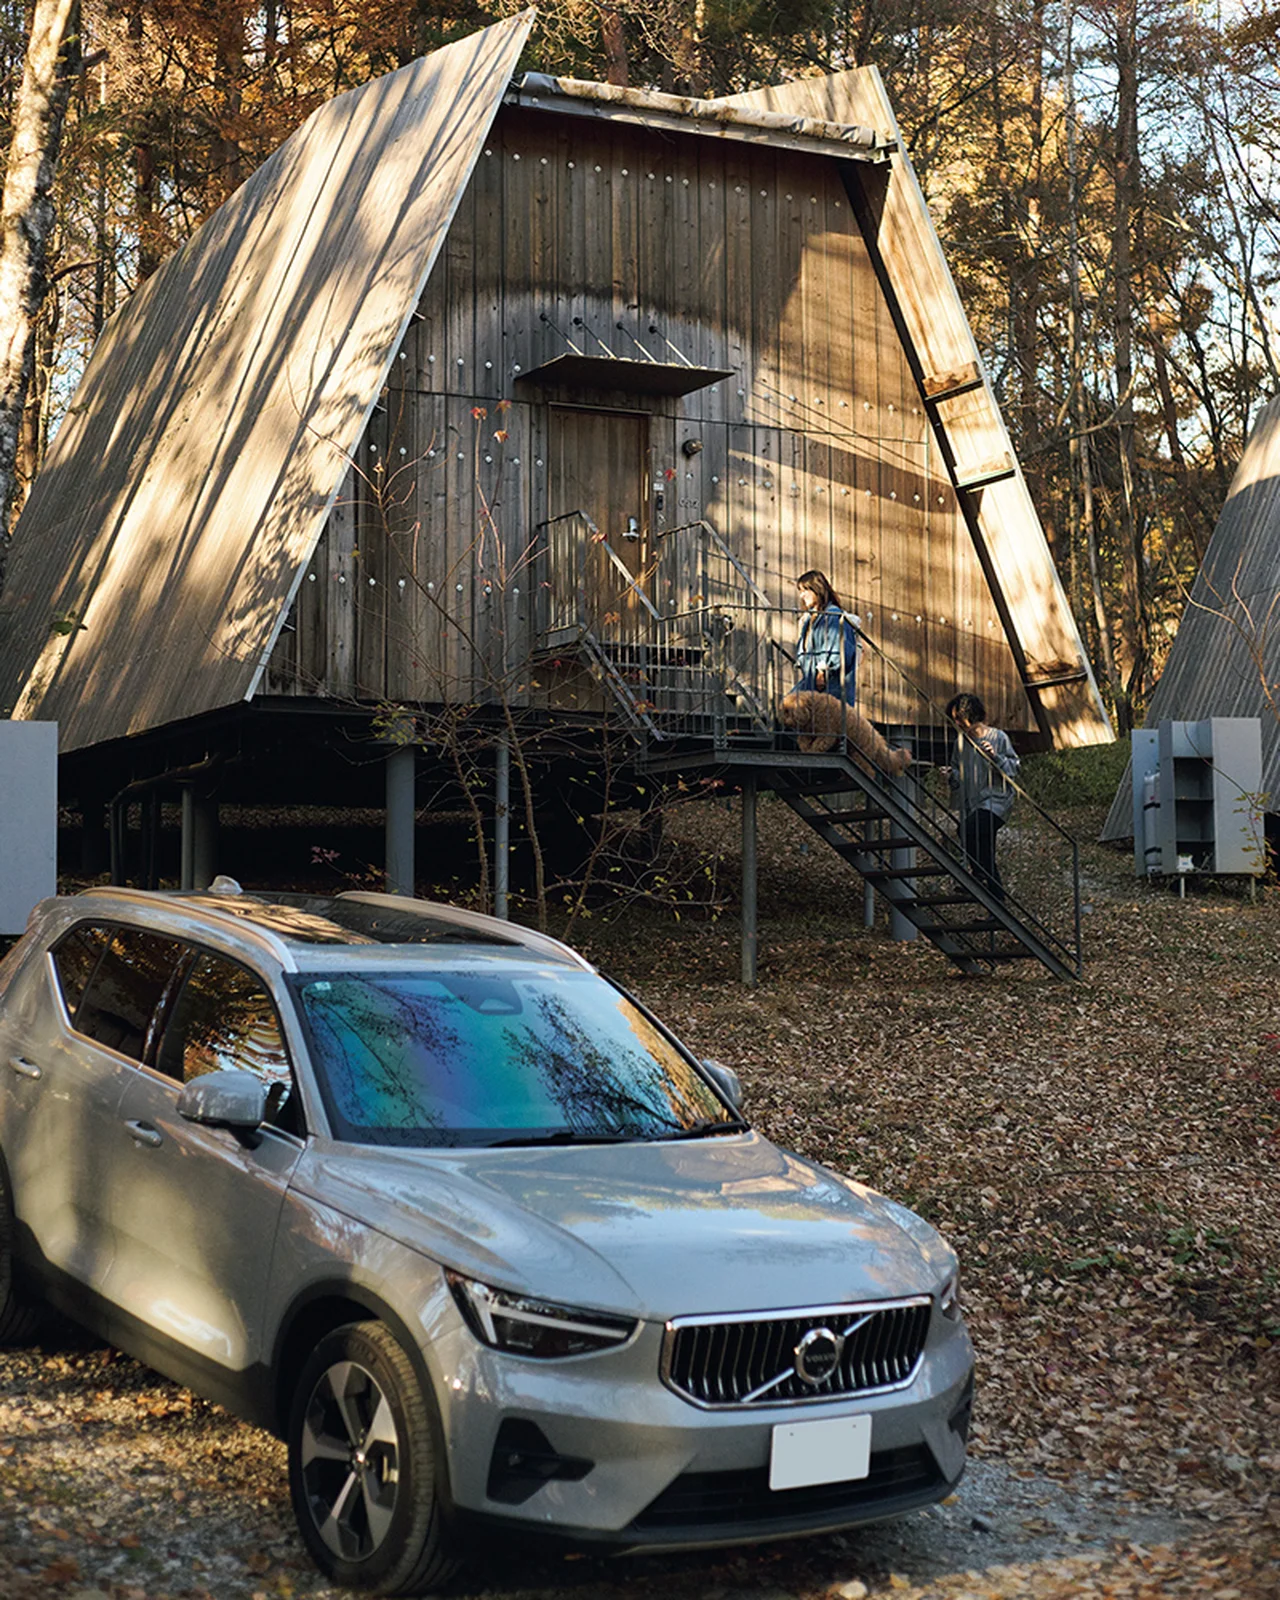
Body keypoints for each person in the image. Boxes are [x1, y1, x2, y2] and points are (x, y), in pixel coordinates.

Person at [942, 693, 1019, 900]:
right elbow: (958, 778)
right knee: (986, 854)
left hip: (998, 802)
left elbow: (1013, 769)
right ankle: (997, 902)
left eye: (959, 718)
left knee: (966, 830)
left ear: (971, 715)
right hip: (973, 803)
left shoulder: (998, 737)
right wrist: (951, 776)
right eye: (954, 719)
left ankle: (978, 876)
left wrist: (995, 757)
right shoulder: (960, 743)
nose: (957, 723)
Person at [793, 570, 860, 704]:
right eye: (800, 591)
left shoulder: (833, 615)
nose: (802, 595)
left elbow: (838, 648)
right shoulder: (810, 618)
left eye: (805, 590)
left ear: (817, 589)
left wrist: (822, 671)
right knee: (789, 707)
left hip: (829, 684)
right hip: (810, 681)